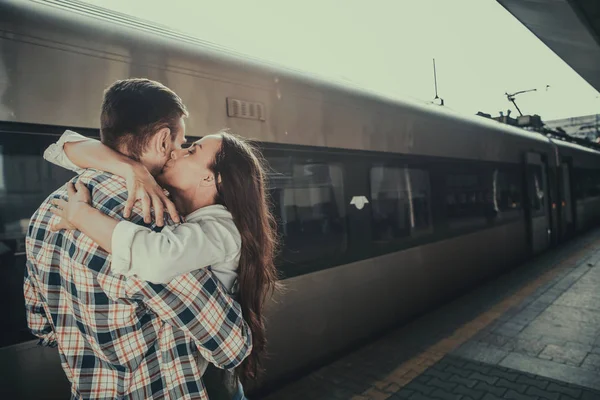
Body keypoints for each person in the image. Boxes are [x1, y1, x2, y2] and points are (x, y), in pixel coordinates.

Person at [24, 78, 252, 399]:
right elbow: (231, 347)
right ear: (162, 141)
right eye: (183, 142)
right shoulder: (151, 221)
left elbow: (42, 325)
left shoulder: (49, 209)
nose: (180, 151)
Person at [48, 129, 279, 398]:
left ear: (211, 178)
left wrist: (80, 215)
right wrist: (132, 168)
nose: (175, 151)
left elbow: (155, 257)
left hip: (209, 385)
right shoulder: (177, 208)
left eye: (191, 151)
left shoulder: (222, 229)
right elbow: (64, 149)